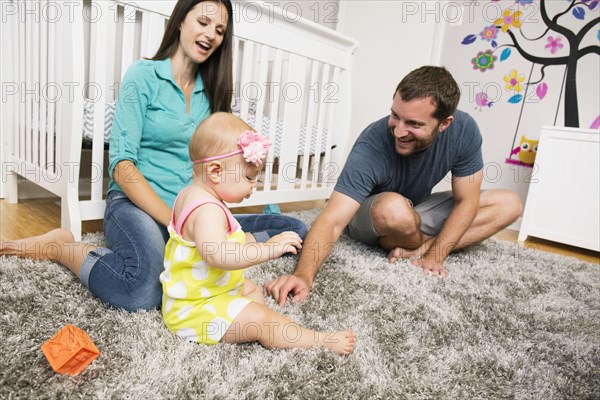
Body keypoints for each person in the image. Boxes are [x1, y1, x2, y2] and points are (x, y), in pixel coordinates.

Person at [0, 0, 306, 311]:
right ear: (180, 22)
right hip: (137, 206)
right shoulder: (143, 76)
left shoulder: (213, 93)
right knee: (143, 290)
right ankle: (62, 247)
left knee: (294, 229)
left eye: (219, 30)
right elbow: (121, 166)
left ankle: (215, 248)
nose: (211, 35)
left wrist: (215, 221)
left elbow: (222, 167)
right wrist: (174, 222)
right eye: (203, 22)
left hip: (194, 213)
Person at [265, 66, 523, 305]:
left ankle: (419, 248)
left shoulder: (465, 130)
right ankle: (420, 241)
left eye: (414, 124)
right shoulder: (372, 144)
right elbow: (332, 219)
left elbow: (467, 199)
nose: (399, 131)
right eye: (395, 116)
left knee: (509, 204)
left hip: (416, 212)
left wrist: (434, 255)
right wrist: (303, 275)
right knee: (394, 209)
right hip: (372, 217)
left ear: (445, 123)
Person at [161, 112, 356, 354]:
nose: (254, 186)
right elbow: (219, 256)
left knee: (251, 288)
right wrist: (268, 249)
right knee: (263, 320)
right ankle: (316, 339)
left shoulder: (190, 195)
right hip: (195, 312)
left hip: (207, 290)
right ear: (215, 171)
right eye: (249, 177)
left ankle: (249, 323)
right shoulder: (208, 211)